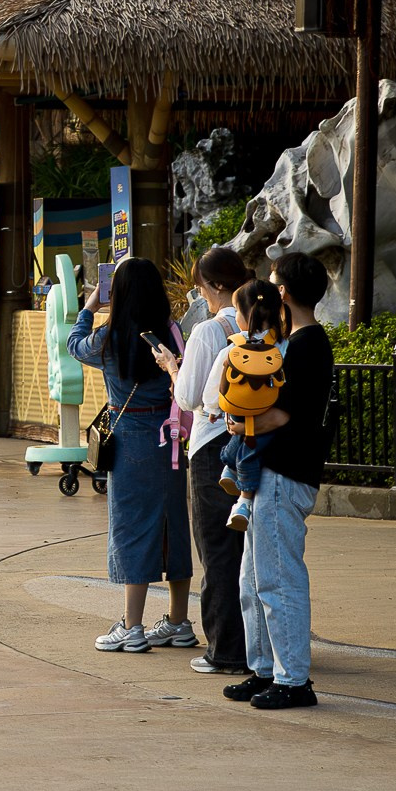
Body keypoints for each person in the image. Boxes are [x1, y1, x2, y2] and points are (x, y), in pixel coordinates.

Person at [66, 256, 194, 653]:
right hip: (170, 439)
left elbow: (74, 345)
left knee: (131, 527)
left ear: (116, 292)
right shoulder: (172, 332)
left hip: (131, 438)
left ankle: (132, 626)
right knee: (173, 525)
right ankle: (178, 621)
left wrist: (89, 306)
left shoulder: (110, 336)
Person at [221, 251, 331, 710]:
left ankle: (293, 679)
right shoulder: (296, 341)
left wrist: (239, 424)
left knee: (278, 579)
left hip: (286, 473)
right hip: (274, 474)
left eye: (271, 281)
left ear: (282, 292)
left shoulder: (306, 346)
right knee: (252, 578)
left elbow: (279, 416)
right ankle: (264, 669)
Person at [160, 247, 249, 676]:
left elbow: (190, 398)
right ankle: (258, 646)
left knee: (217, 548)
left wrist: (172, 369)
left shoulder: (210, 331)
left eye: (201, 288)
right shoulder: (264, 322)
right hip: (253, 445)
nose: (201, 296)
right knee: (249, 550)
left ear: (214, 287)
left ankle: (225, 649)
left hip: (214, 447)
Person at [212, 280, 291, 531]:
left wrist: (215, 409)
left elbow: (210, 393)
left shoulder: (234, 347)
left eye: (237, 311)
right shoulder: (284, 345)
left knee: (243, 439)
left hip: (237, 409)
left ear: (247, 315)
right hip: (267, 411)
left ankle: (235, 482)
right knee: (252, 448)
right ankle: (237, 488)